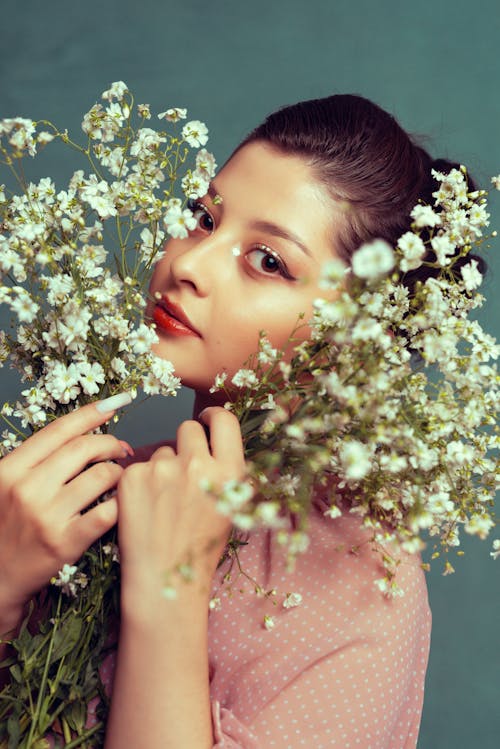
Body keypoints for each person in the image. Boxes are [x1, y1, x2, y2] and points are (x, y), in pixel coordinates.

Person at [3, 92, 476, 748]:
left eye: (268, 261)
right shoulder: (107, 489)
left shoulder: (365, 601)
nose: (187, 264)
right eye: (202, 218)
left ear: (356, 339)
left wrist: (169, 596)